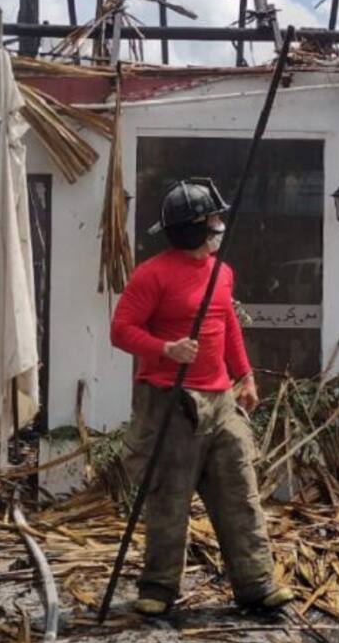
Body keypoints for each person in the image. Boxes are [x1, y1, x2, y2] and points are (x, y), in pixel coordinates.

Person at [110, 178, 293, 617]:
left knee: (239, 489)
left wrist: (245, 375)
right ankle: (157, 589)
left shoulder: (221, 271)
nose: (219, 225)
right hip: (171, 401)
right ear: (195, 228)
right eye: (213, 219)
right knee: (169, 495)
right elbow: (120, 330)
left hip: (221, 400)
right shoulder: (151, 275)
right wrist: (165, 349)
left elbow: (227, 325)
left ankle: (256, 584)